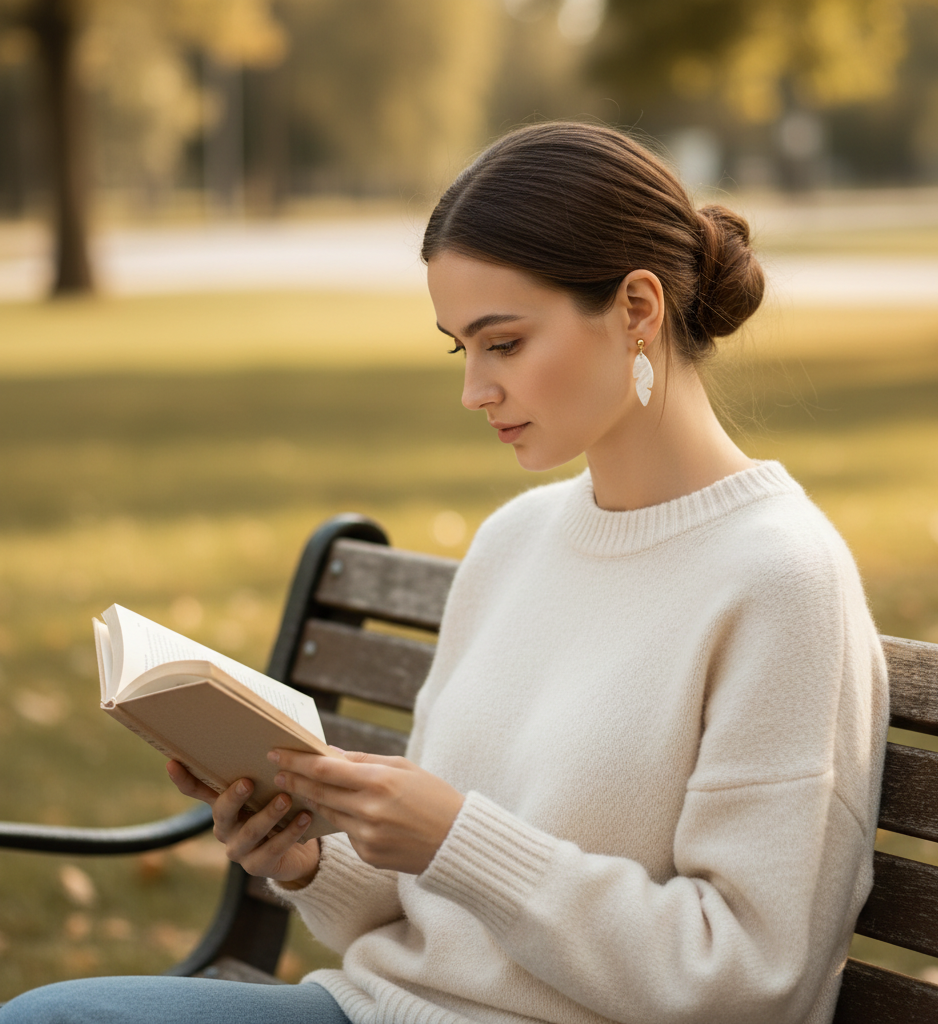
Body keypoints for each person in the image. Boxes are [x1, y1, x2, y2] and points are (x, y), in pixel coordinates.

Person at [1, 122, 888, 1024]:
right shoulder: (516, 541)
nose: (474, 391)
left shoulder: (782, 579)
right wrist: (306, 858)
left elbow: (750, 980)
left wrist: (461, 840)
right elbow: (430, 905)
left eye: (503, 343)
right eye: (459, 348)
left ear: (637, 309)